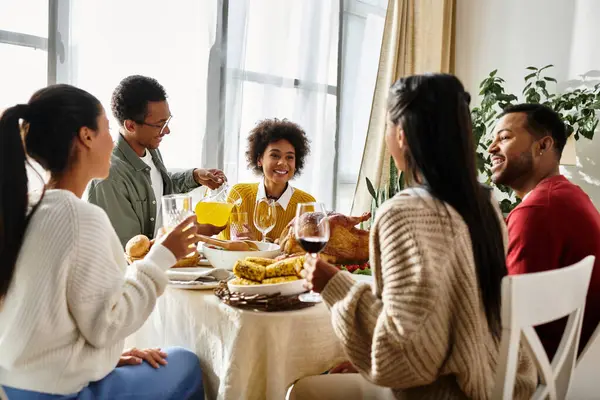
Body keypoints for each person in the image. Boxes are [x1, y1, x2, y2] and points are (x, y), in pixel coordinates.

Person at [302, 74, 536, 399]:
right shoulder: (484, 204)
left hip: (447, 392)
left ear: (401, 134)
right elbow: (447, 310)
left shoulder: (404, 213)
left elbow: (403, 356)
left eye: (386, 126)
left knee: (303, 389)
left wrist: (333, 284)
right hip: (502, 382)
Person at [0, 84, 216, 399]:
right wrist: (160, 257)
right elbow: (108, 325)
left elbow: (52, 317)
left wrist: (105, 359)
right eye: (105, 130)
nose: (112, 141)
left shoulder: (26, 207)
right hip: (56, 391)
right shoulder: (79, 217)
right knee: (186, 362)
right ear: (86, 136)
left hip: (15, 382)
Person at [488, 103, 600, 358]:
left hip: (528, 370)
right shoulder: (569, 195)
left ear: (543, 146)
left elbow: (510, 318)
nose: (491, 148)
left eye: (504, 137)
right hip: (562, 365)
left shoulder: (537, 210)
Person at [86, 75, 226, 247]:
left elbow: (154, 187)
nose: (166, 130)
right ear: (130, 126)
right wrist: (193, 232)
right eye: (160, 124)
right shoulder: (109, 176)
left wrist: (195, 176)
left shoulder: (151, 151)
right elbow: (130, 252)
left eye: (167, 120)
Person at [220, 118, 316, 241]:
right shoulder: (239, 195)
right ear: (259, 159)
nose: (282, 162)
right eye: (275, 155)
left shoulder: (306, 204)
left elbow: (302, 253)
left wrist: (258, 246)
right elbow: (227, 242)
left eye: (290, 157)